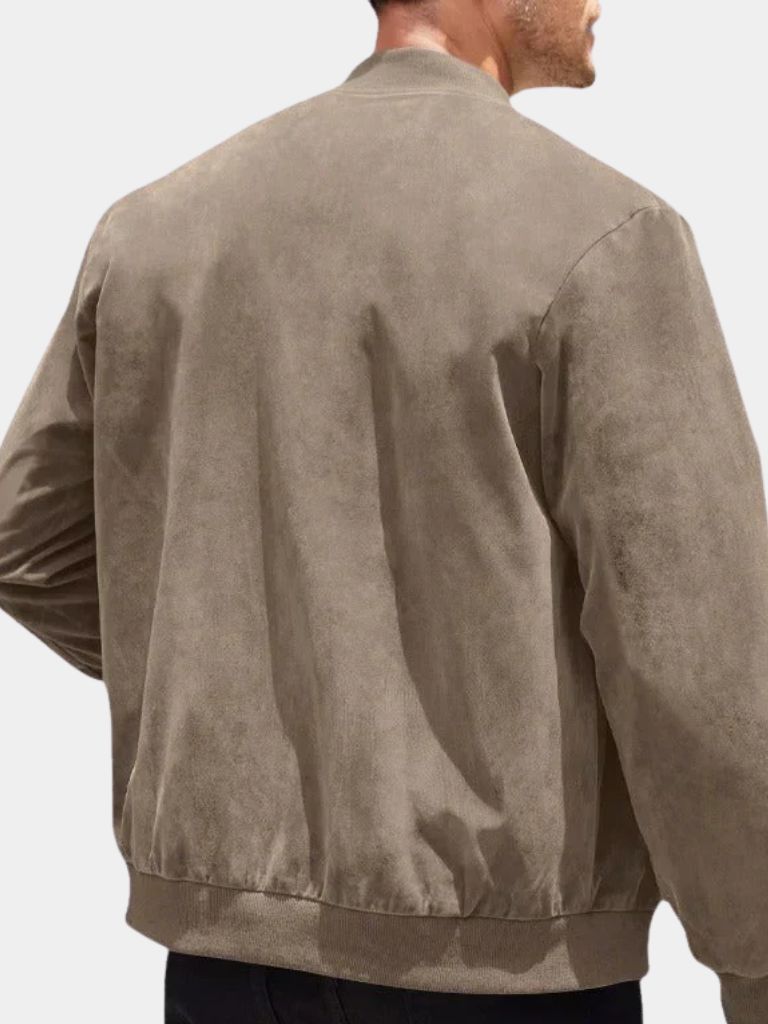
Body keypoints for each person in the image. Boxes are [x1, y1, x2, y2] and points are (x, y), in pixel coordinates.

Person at [1, 0, 766, 1021]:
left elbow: (28, 541)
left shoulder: (156, 230)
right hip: (500, 975)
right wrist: (755, 962)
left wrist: (259, 684)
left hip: (223, 970)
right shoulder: (608, 240)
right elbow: (704, 672)